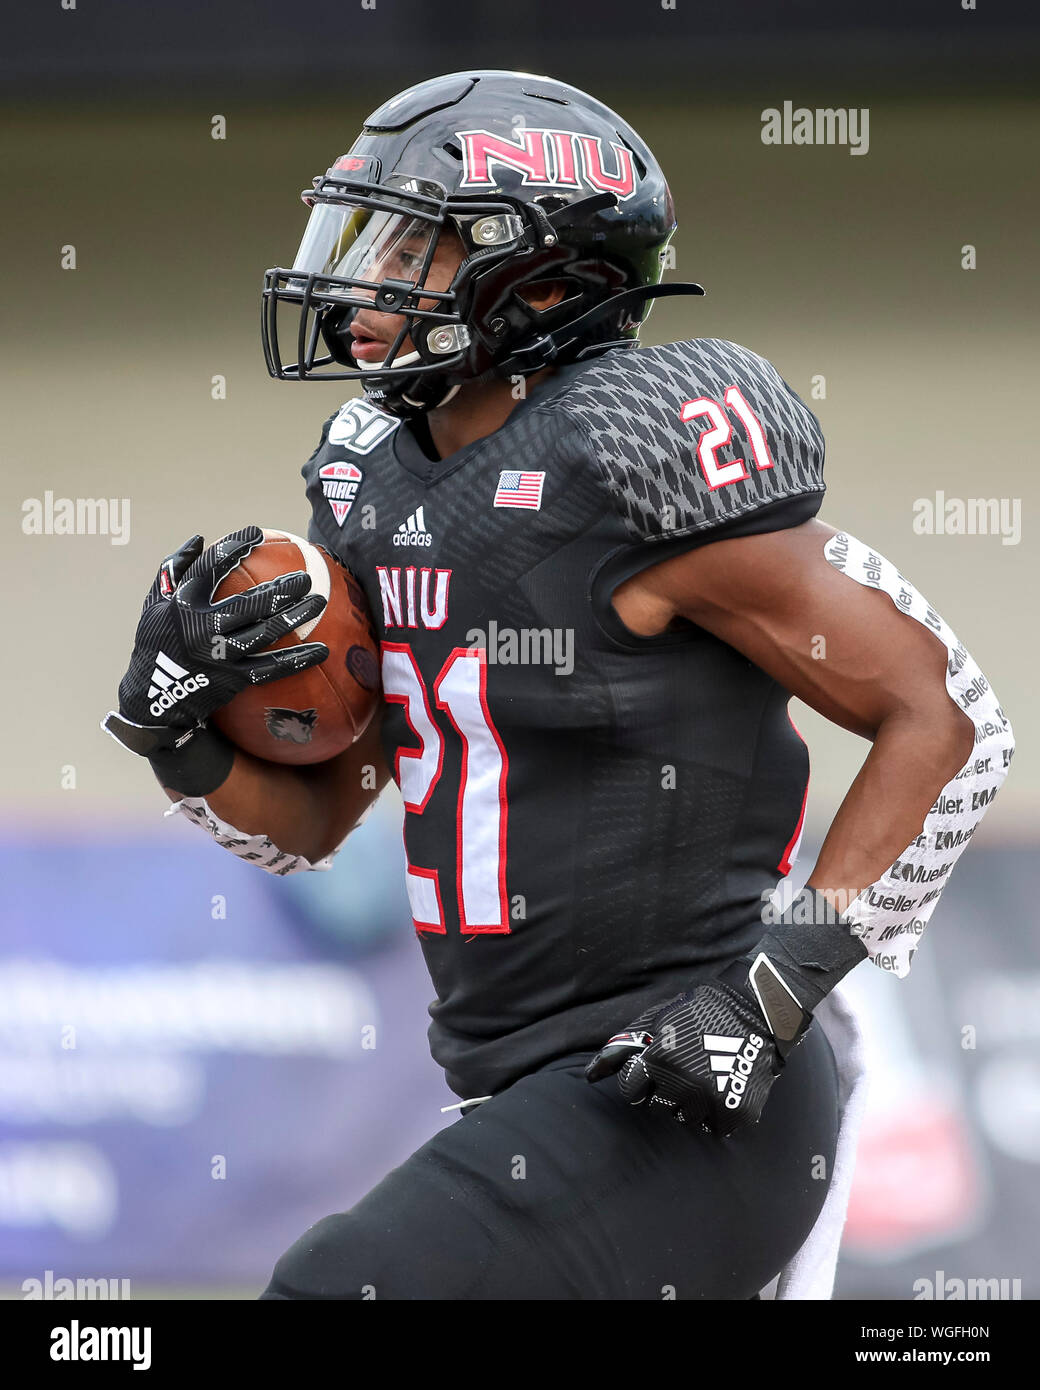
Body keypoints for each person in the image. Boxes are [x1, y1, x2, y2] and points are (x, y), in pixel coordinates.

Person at [104, 70, 1013, 1300]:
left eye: (413, 241)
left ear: (539, 279)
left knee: (341, 1286)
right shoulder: (373, 477)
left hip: (688, 1085)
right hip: (528, 1091)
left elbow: (949, 721)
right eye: (368, 231)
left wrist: (766, 997)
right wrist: (175, 737)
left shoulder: (630, 447)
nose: (365, 275)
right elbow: (317, 823)